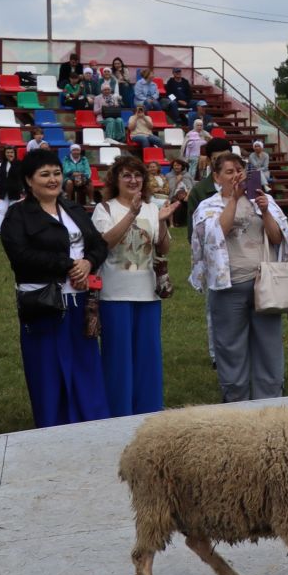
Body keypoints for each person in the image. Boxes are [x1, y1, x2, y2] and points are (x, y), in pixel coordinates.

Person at [0, 148, 110, 427]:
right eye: (44, 174)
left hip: (81, 302)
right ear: (28, 180)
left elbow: (99, 244)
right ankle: (53, 423)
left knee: (85, 363)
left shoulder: (73, 209)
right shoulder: (17, 215)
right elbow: (20, 255)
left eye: (56, 173)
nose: (53, 179)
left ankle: (91, 420)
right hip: (44, 304)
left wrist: (87, 263)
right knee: (47, 368)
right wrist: (67, 264)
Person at [189, 149, 288, 403]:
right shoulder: (208, 206)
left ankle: (270, 399)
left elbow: (278, 238)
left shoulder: (261, 200)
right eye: (229, 172)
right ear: (217, 176)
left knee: (269, 345)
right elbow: (215, 236)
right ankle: (236, 400)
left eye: (239, 170)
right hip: (229, 286)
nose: (236, 176)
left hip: (263, 284)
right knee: (230, 347)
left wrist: (266, 211)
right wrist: (233, 200)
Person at [90, 154, 179, 417]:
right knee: (118, 359)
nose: (133, 180)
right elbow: (106, 243)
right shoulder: (104, 209)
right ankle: (119, 412)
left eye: (138, 175)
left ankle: (149, 411)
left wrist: (161, 222)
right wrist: (132, 214)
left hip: (148, 293)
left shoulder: (153, 208)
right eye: (126, 175)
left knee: (148, 358)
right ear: (115, 180)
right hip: (114, 294)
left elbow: (163, 247)